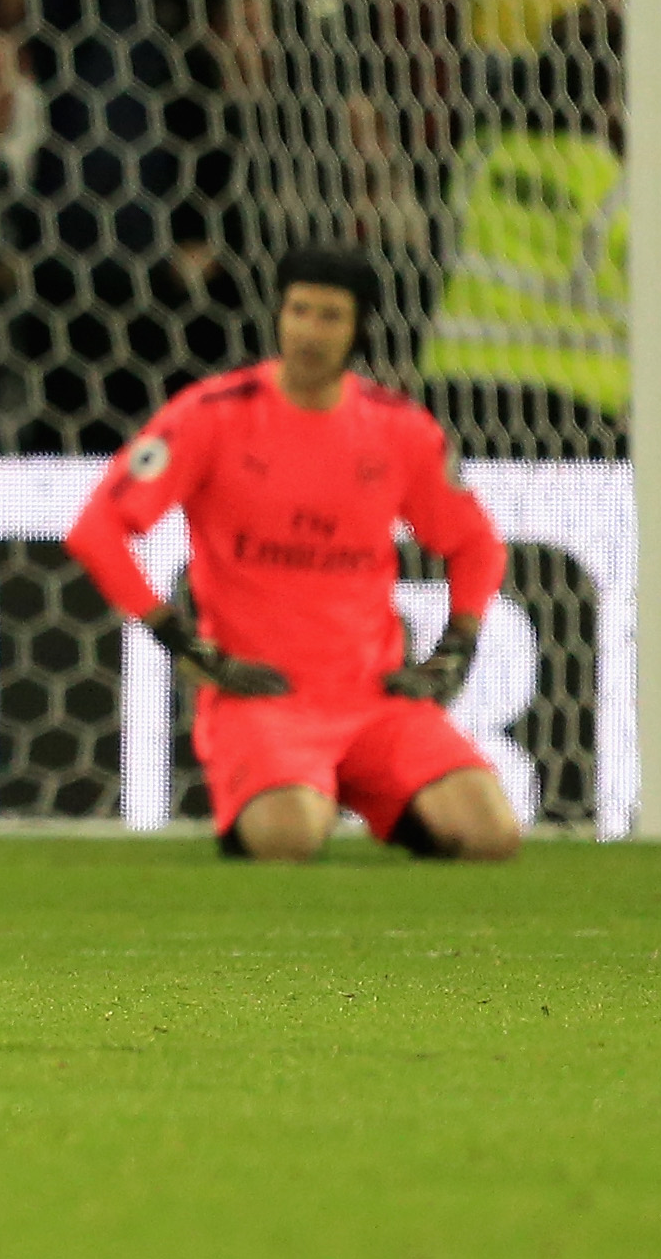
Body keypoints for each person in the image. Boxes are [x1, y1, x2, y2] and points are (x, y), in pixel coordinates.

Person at [61, 244, 524, 864]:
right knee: (286, 838)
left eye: (330, 316)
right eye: (298, 310)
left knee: (491, 835)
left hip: (373, 699)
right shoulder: (212, 416)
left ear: (359, 329)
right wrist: (183, 641)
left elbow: (476, 545)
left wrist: (455, 648)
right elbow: (95, 530)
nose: (310, 331)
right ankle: (303, 792)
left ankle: (352, 790)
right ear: (277, 316)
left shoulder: (399, 430)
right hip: (261, 699)